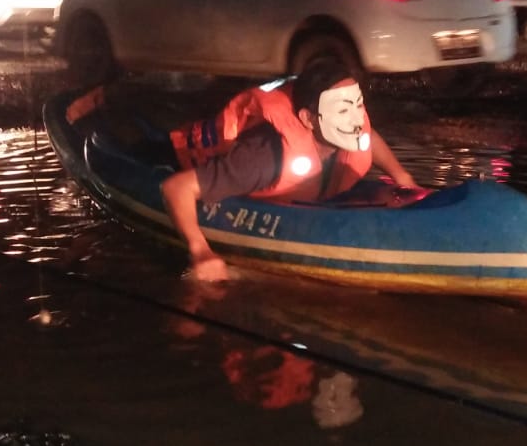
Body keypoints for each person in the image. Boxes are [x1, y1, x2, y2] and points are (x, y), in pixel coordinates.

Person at [159, 59, 420, 282]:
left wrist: (402, 177)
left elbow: (367, 135)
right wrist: (201, 251)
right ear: (307, 119)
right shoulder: (265, 158)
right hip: (179, 159)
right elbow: (175, 187)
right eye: (342, 109)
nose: (356, 119)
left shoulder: (347, 128)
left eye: (359, 104)